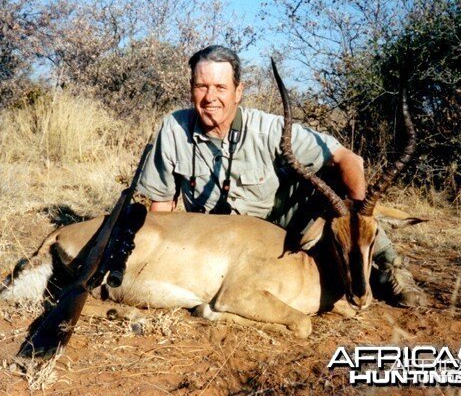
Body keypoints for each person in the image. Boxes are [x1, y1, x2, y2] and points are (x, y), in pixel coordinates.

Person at [137, 45, 427, 307]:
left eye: (220, 87)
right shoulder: (173, 129)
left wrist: (357, 214)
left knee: (353, 210)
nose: (210, 97)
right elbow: (162, 208)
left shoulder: (269, 129)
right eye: (201, 86)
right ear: (191, 89)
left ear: (238, 91)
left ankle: (391, 269)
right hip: (230, 240)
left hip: (286, 223)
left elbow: (347, 158)